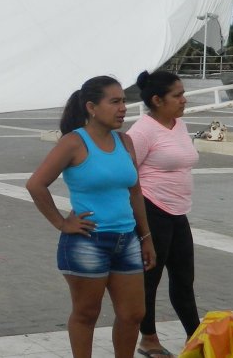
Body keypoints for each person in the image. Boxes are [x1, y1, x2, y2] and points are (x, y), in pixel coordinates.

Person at [27, 75, 156, 358]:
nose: (123, 107)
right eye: (115, 101)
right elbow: (36, 184)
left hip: (127, 240)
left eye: (124, 101)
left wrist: (145, 237)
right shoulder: (74, 143)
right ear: (91, 107)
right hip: (88, 243)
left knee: (133, 314)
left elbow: (135, 192)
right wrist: (62, 222)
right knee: (86, 314)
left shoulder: (126, 142)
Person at [126, 69, 201, 356]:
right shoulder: (142, 131)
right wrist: (140, 227)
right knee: (149, 280)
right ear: (157, 100)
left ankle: (195, 337)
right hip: (151, 210)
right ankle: (148, 338)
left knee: (184, 279)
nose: (184, 100)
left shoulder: (178, 125)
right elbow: (129, 176)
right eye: (178, 95)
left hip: (178, 212)